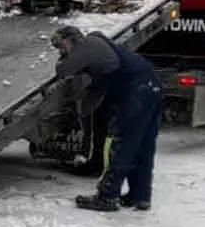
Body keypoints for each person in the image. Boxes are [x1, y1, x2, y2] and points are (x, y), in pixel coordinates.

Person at [49, 24, 163, 212]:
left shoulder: (89, 44)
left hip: (137, 92)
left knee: (123, 144)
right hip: (151, 88)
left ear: (72, 39)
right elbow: (97, 93)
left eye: (61, 47)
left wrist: (63, 58)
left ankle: (107, 196)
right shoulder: (100, 55)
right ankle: (140, 196)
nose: (61, 52)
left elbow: (63, 70)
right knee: (142, 146)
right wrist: (78, 113)